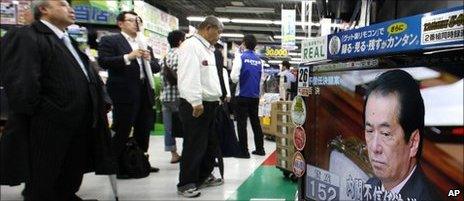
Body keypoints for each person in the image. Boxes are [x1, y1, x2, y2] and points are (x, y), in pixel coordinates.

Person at [0, 0, 115, 200]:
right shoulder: (27, 36)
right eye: (62, 4)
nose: (70, 9)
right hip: (48, 125)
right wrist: (49, 112)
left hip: (77, 123)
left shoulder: (66, 40)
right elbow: (21, 84)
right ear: (43, 9)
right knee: (43, 179)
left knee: (68, 175)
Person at [97, 11, 161, 178]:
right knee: (123, 128)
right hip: (123, 92)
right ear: (121, 23)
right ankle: (117, 165)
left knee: (144, 128)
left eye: (138, 21)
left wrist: (148, 59)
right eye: (132, 20)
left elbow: (156, 68)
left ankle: (139, 161)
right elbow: (103, 61)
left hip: (144, 90)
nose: (136, 24)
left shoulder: (144, 42)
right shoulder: (110, 40)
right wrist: (128, 56)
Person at [363, 69, 439, 200]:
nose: (374, 147)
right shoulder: (370, 186)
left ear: (413, 142)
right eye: (369, 131)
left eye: (386, 134)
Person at [176, 16, 225, 198]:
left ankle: (202, 176)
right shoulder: (191, 46)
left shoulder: (208, 49)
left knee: (209, 143)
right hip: (196, 104)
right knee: (194, 144)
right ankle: (186, 183)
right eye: (218, 31)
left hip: (211, 104)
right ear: (208, 28)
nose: (219, 36)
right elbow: (189, 76)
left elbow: (209, 78)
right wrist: (195, 101)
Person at [230, 34, 265, 158]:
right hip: (255, 96)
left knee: (241, 124)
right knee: (255, 122)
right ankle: (260, 149)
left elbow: (234, 77)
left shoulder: (240, 57)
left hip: (242, 95)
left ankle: (244, 151)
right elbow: (261, 80)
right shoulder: (259, 61)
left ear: (243, 44)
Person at [160, 30, 185, 164]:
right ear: (180, 41)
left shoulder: (165, 56)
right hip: (179, 96)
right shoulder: (182, 55)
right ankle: (187, 152)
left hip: (166, 96)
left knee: (168, 128)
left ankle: (174, 154)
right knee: (186, 126)